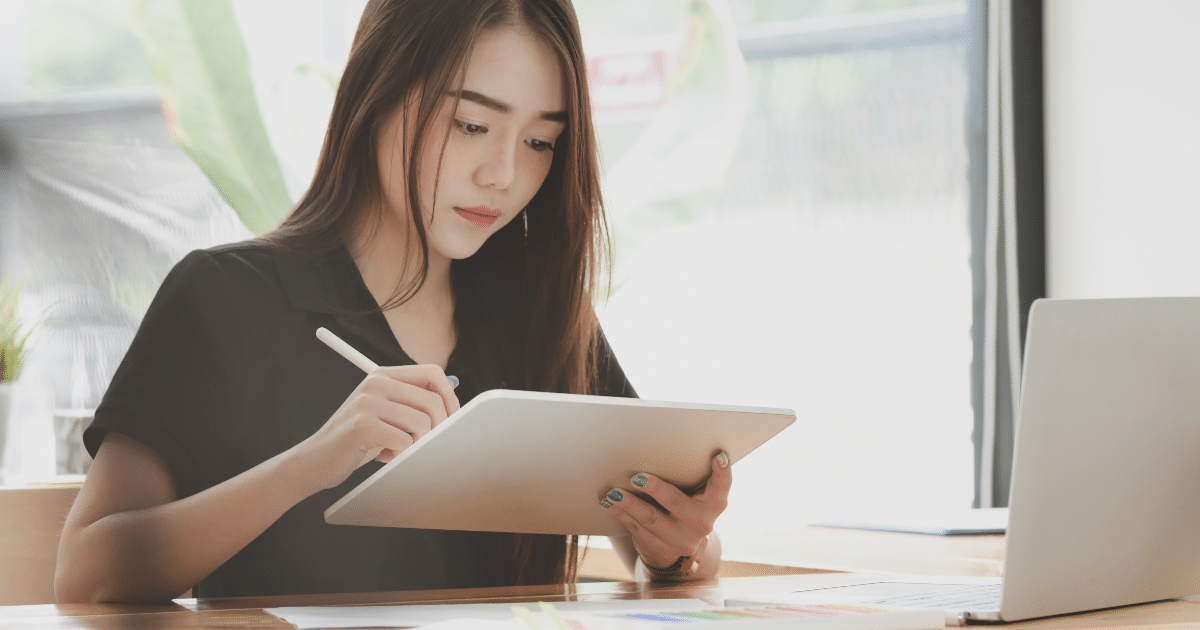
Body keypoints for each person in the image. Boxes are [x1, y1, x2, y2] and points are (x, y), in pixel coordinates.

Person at [54, 0, 731, 603]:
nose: (503, 174)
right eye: (471, 124)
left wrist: (674, 549)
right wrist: (311, 466)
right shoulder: (224, 299)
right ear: (379, 89)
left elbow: (660, 548)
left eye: (539, 142)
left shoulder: (542, 317)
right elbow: (85, 571)